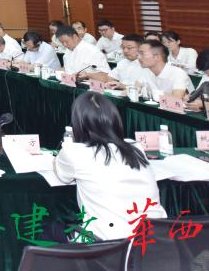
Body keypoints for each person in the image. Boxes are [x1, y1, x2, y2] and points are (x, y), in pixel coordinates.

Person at [54, 92, 166, 241]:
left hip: (108, 244)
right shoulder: (136, 147)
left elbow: (62, 175)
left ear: (78, 124)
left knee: (47, 229)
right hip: (156, 240)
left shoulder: (74, 152)